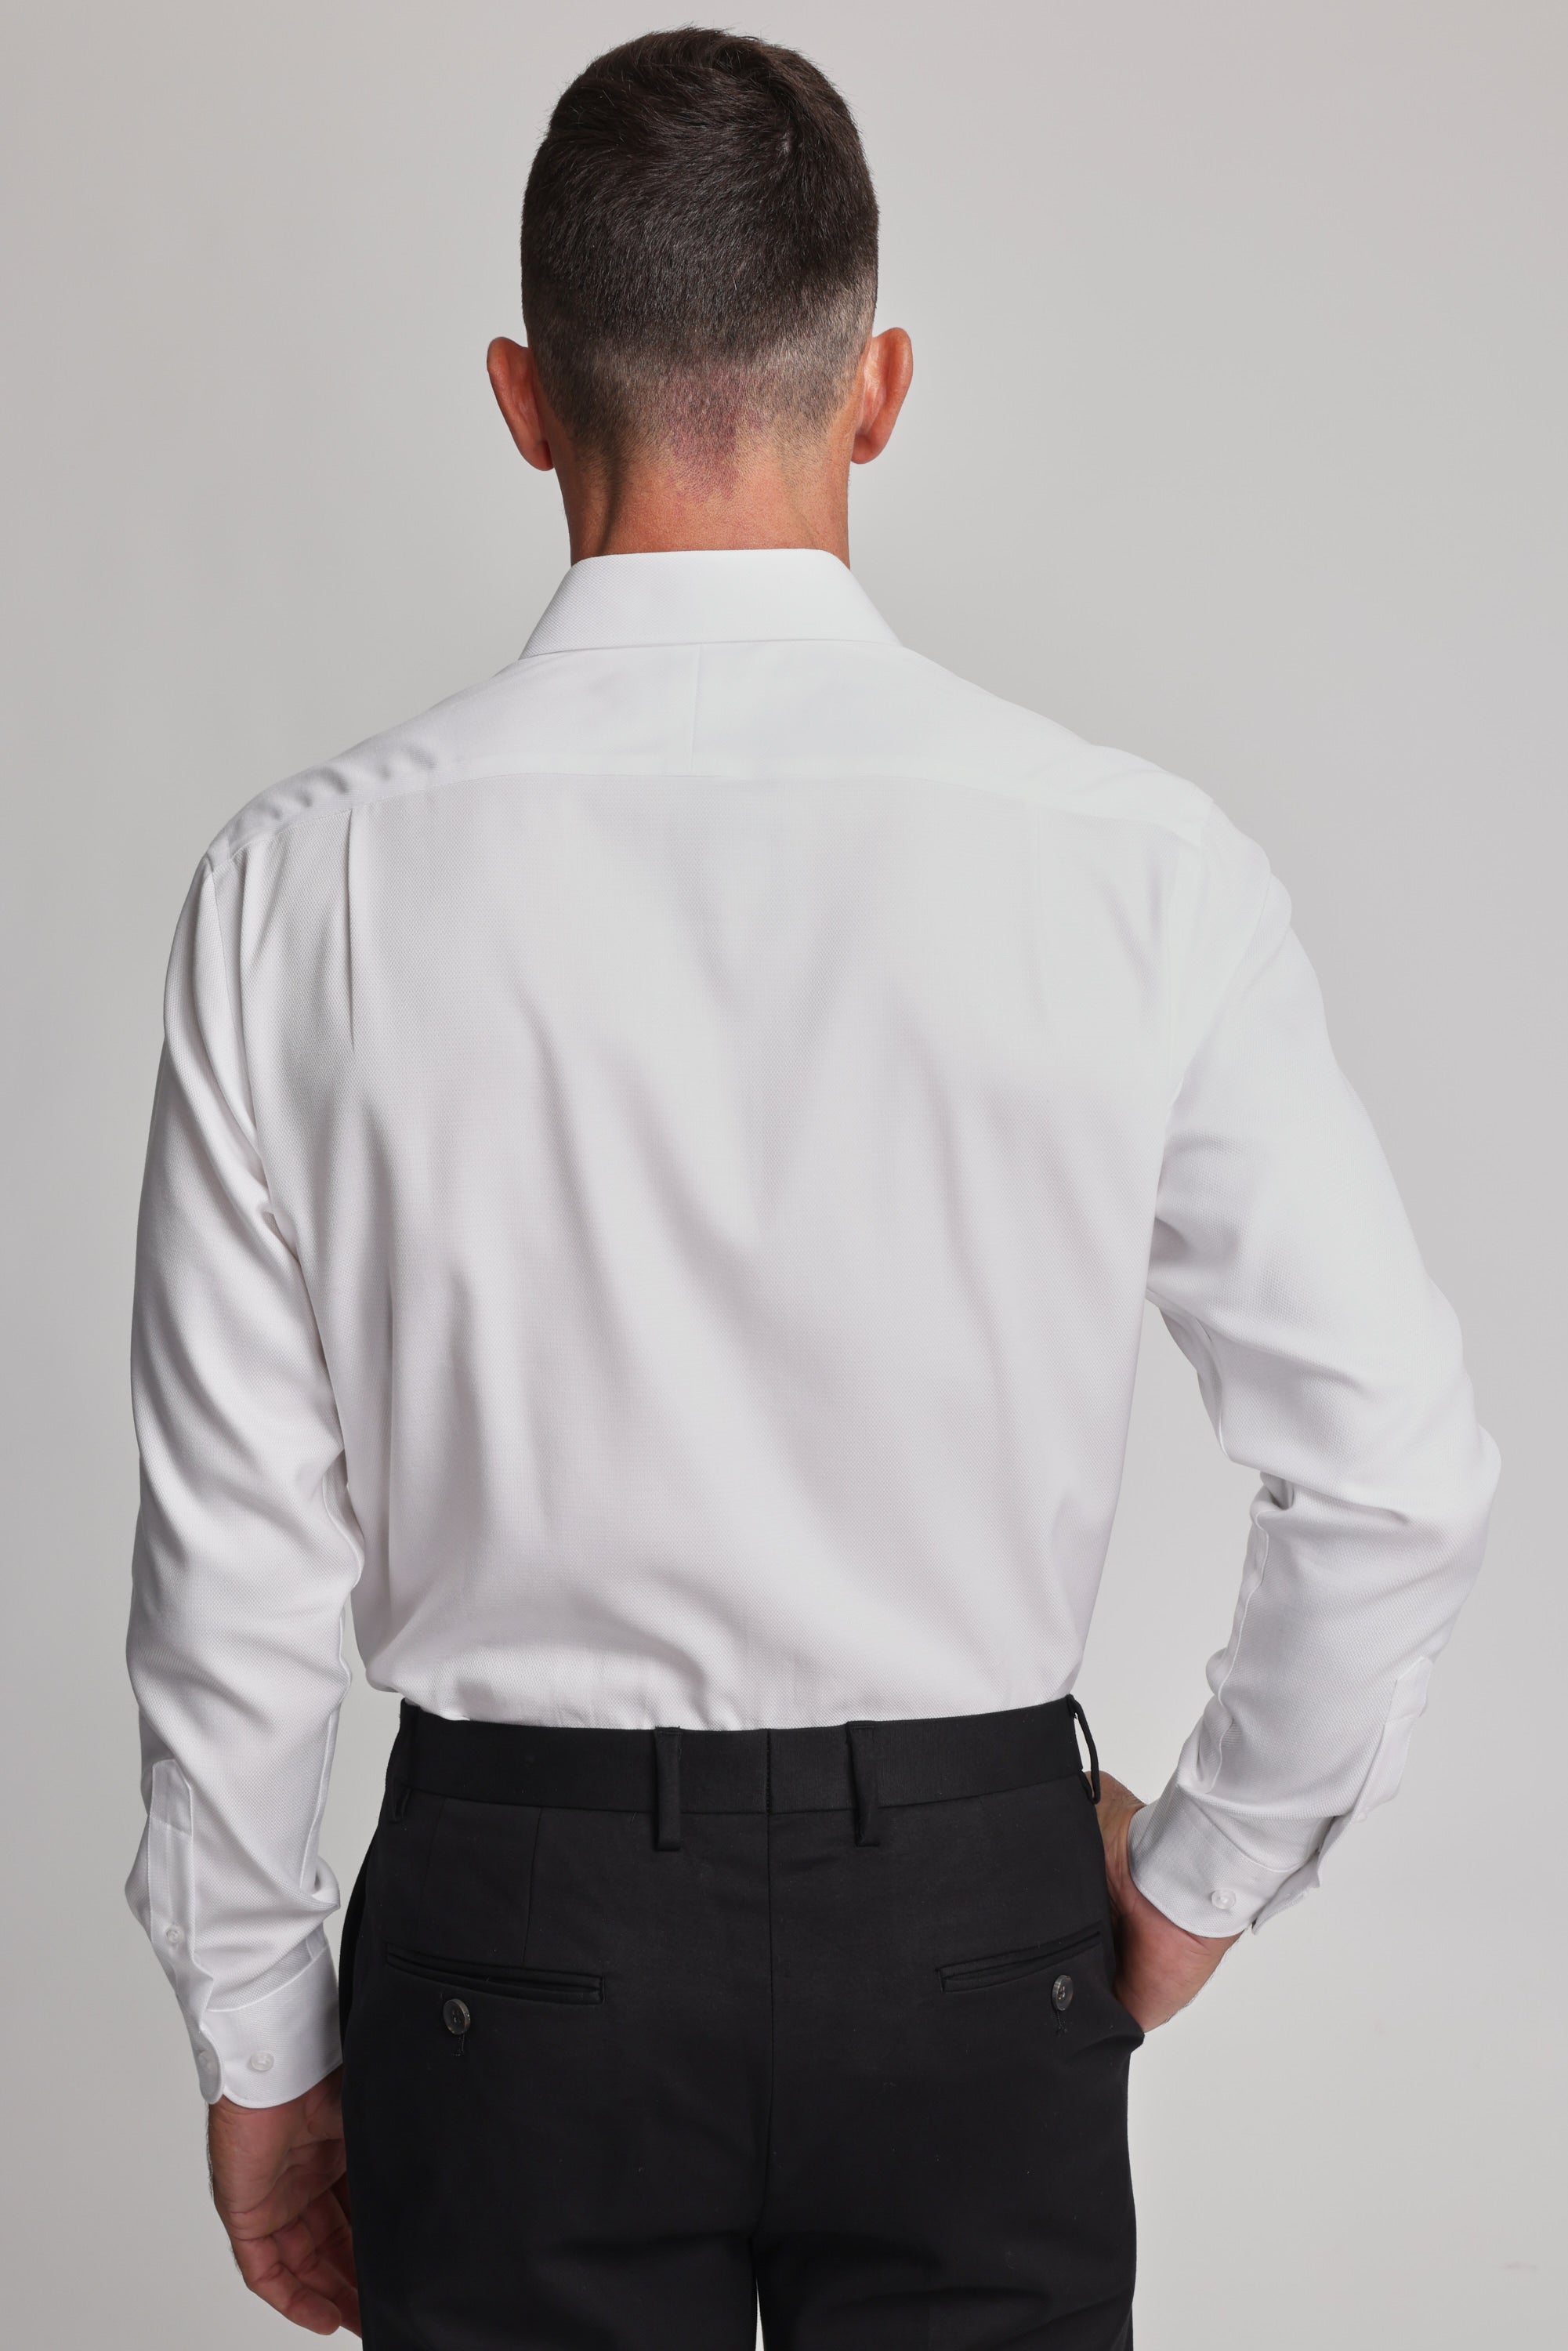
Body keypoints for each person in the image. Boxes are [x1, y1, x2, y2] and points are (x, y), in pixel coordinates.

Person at [124, 27, 1499, 2349]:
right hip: (971, 1927)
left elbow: (234, 1559)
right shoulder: (1129, 868)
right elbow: (1393, 1478)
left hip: (509, 1944)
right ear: (874, 391)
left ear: (518, 397)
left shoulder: (304, 891)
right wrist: (1189, 1886)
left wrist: (261, 2050)